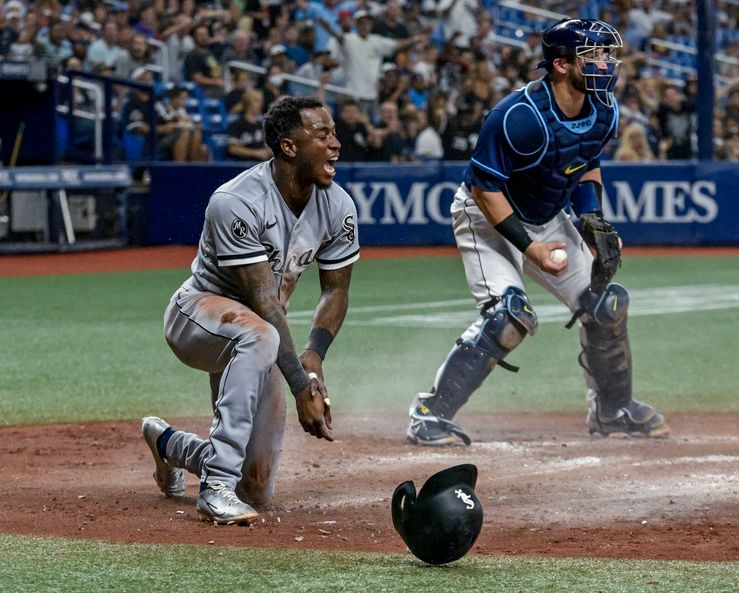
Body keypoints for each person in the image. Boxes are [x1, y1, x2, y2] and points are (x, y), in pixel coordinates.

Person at [405, 19, 670, 447]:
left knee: (606, 304)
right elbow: (484, 188)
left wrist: (592, 221)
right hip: (485, 216)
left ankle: (612, 410)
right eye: (595, 55)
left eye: (606, 53)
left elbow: (586, 163)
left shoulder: (603, 106)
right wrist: (532, 250)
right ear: (562, 65)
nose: (606, 63)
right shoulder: (519, 116)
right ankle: (429, 413)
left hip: (548, 215)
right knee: (509, 316)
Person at [141, 96, 359, 524]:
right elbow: (262, 300)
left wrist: (313, 358)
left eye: (334, 133)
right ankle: (215, 487)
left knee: (256, 488)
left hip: (261, 336)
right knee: (261, 333)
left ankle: (168, 444)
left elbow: (335, 291)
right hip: (198, 316)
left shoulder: (338, 205)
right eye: (323, 134)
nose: (335, 144)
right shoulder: (237, 200)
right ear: (288, 147)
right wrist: (300, 386)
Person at [226, 89, 272, 161]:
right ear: (247, 103)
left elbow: (268, 146)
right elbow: (233, 149)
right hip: (244, 166)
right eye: (257, 101)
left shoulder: (263, 124)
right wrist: (256, 153)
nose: (261, 104)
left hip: (262, 165)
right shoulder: (237, 124)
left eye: (261, 101)